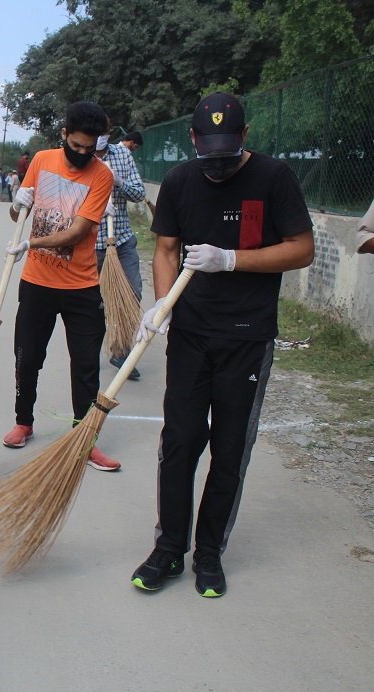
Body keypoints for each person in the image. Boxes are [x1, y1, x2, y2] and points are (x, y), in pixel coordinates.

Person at [131, 92, 314, 598]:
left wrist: (230, 259)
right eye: (207, 156)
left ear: (244, 139)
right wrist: (163, 304)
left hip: (247, 337)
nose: (216, 167)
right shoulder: (179, 181)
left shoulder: (275, 179)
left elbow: (302, 249)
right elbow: (166, 248)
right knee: (181, 440)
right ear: (193, 140)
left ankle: (209, 553)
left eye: (226, 157)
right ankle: (169, 547)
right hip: (190, 334)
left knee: (230, 449)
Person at [2, 100, 121, 472]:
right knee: (27, 357)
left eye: (91, 148)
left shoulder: (101, 176)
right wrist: (16, 201)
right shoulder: (41, 160)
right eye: (76, 146)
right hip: (37, 283)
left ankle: (84, 437)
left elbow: (79, 231)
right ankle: (24, 421)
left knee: (86, 365)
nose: (83, 154)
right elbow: (18, 215)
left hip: (81, 286)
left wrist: (31, 244)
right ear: (65, 134)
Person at [93, 119, 147, 380]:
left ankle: (121, 350)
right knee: (94, 303)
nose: (101, 137)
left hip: (121, 240)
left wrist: (118, 182)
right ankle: (90, 351)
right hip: (90, 246)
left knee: (132, 292)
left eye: (104, 132)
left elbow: (139, 193)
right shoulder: (80, 157)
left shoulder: (122, 154)